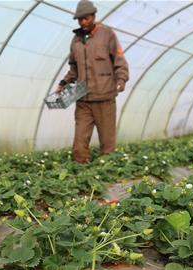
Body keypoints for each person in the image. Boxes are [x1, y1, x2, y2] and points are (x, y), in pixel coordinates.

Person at [55, 0, 129, 164]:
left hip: (104, 98)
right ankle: (81, 174)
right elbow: (74, 68)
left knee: (107, 144)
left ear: (94, 16)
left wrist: (121, 79)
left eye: (86, 18)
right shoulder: (76, 41)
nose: (83, 22)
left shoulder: (107, 34)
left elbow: (119, 59)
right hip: (83, 100)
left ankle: (108, 174)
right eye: (80, 19)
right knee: (79, 143)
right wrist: (63, 83)